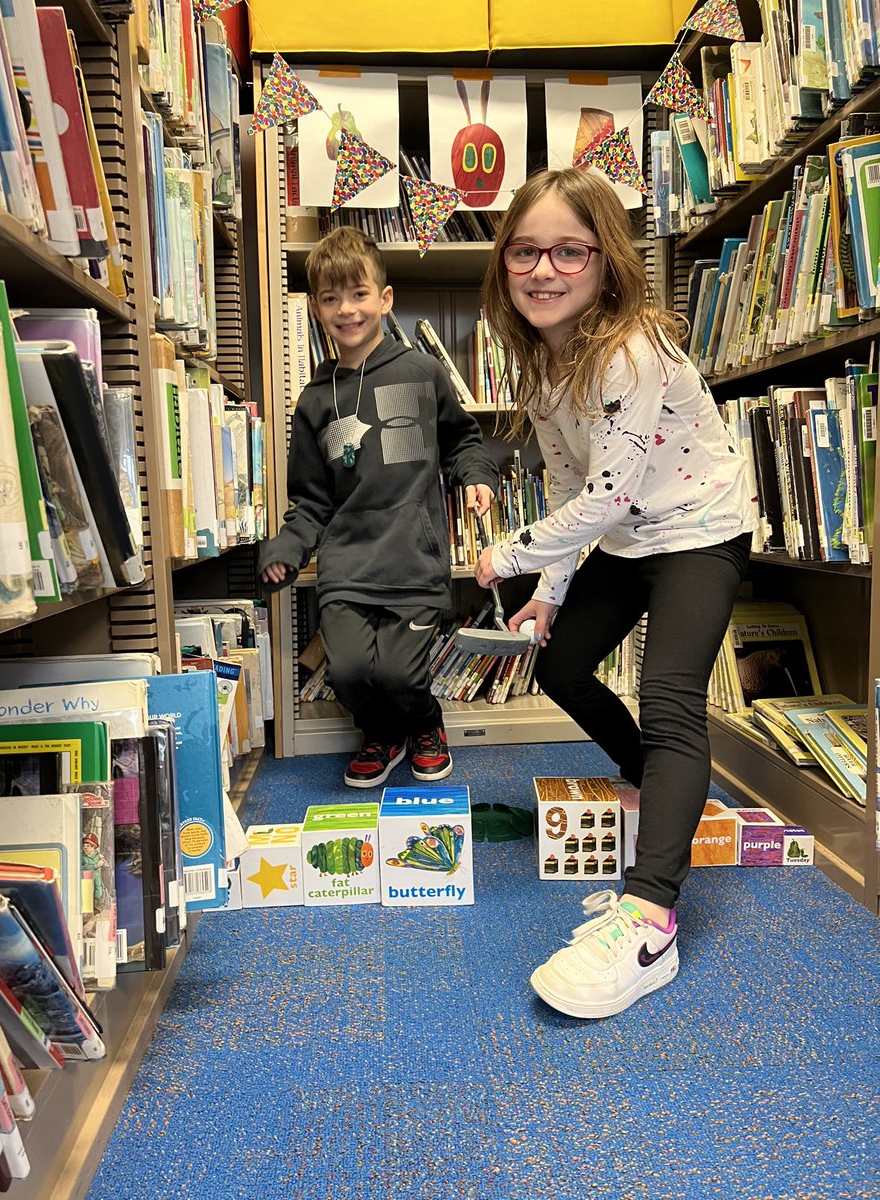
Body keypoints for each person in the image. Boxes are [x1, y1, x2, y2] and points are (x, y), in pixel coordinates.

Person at [476, 167, 759, 1019]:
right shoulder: (544, 361)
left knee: (672, 700)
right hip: (634, 535)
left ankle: (650, 920)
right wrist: (549, 594)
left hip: (702, 528)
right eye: (526, 250)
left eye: (570, 250)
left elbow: (606, 497)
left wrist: (508, 555)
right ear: (505, 262)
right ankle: (658, 783)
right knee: (557, 665)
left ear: (605, 261)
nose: (544, 269)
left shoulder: (629, 348)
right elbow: (575, 488)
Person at [259, 226, 498, 788]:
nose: (347, 309)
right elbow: (311, 500)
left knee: (397, 673)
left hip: (413, 562)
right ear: (317, 309)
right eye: (330, 298)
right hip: (348, 567)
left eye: (359, 294)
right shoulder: (315, 400)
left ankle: (424, 726)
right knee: (346, 669)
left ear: (384, 300)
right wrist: (287, 549)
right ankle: (382, 735)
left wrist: (475, 477)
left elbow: (463, 440)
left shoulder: (421, 373)